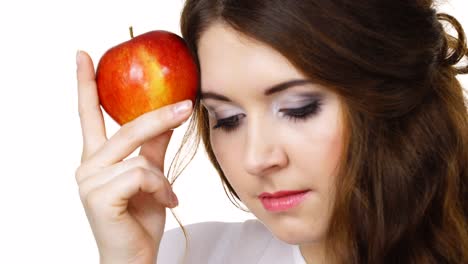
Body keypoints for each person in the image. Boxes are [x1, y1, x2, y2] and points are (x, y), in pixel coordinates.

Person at [75, 0, 468, 263]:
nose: (256, 159)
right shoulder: (184, 256)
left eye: (299, 109)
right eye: (226, 118)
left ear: (388, 94)